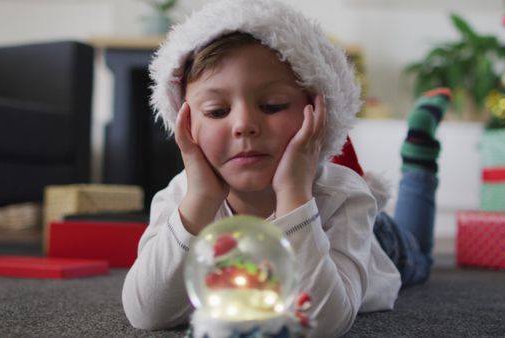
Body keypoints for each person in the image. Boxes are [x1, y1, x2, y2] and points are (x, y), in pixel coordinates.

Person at [122, 0, 450, 337]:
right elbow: (146, 313)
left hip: (375, 241)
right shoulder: (181, 197)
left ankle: (419, 161)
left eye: (272, 105)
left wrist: (293, 194)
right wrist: (201, 201)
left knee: (420, 258)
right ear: (185, 124)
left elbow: (324, 323)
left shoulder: (344, 197)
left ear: (319, 112)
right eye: (217, 111)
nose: (244, 125)